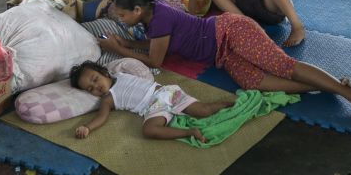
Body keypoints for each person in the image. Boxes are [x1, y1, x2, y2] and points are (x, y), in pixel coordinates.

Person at [97, 0, 351, 118]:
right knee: (256, 83)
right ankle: (328, 86)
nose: (121, 22)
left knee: (283, 66)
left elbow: (156, 58)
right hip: (222, 55)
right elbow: (158, 44)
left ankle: (350, 92)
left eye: (122, 16)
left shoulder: (159, 18)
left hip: (229, 31)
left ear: (136, 10)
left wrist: (117, 49)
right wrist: (129, 43)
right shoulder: (150, 17)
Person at [69, 61, 234, 143]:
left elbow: (130, 63)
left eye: (95, 79)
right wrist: (87, 127)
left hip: (165, 92)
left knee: (203, 110)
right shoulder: (107, 99)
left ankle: (229, 103)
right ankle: (190, 132)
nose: (96, 87)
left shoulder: (118, 73)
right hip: (154, 107)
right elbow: (101, 117)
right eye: (90, 89)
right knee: (149, 131)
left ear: (104, 72)